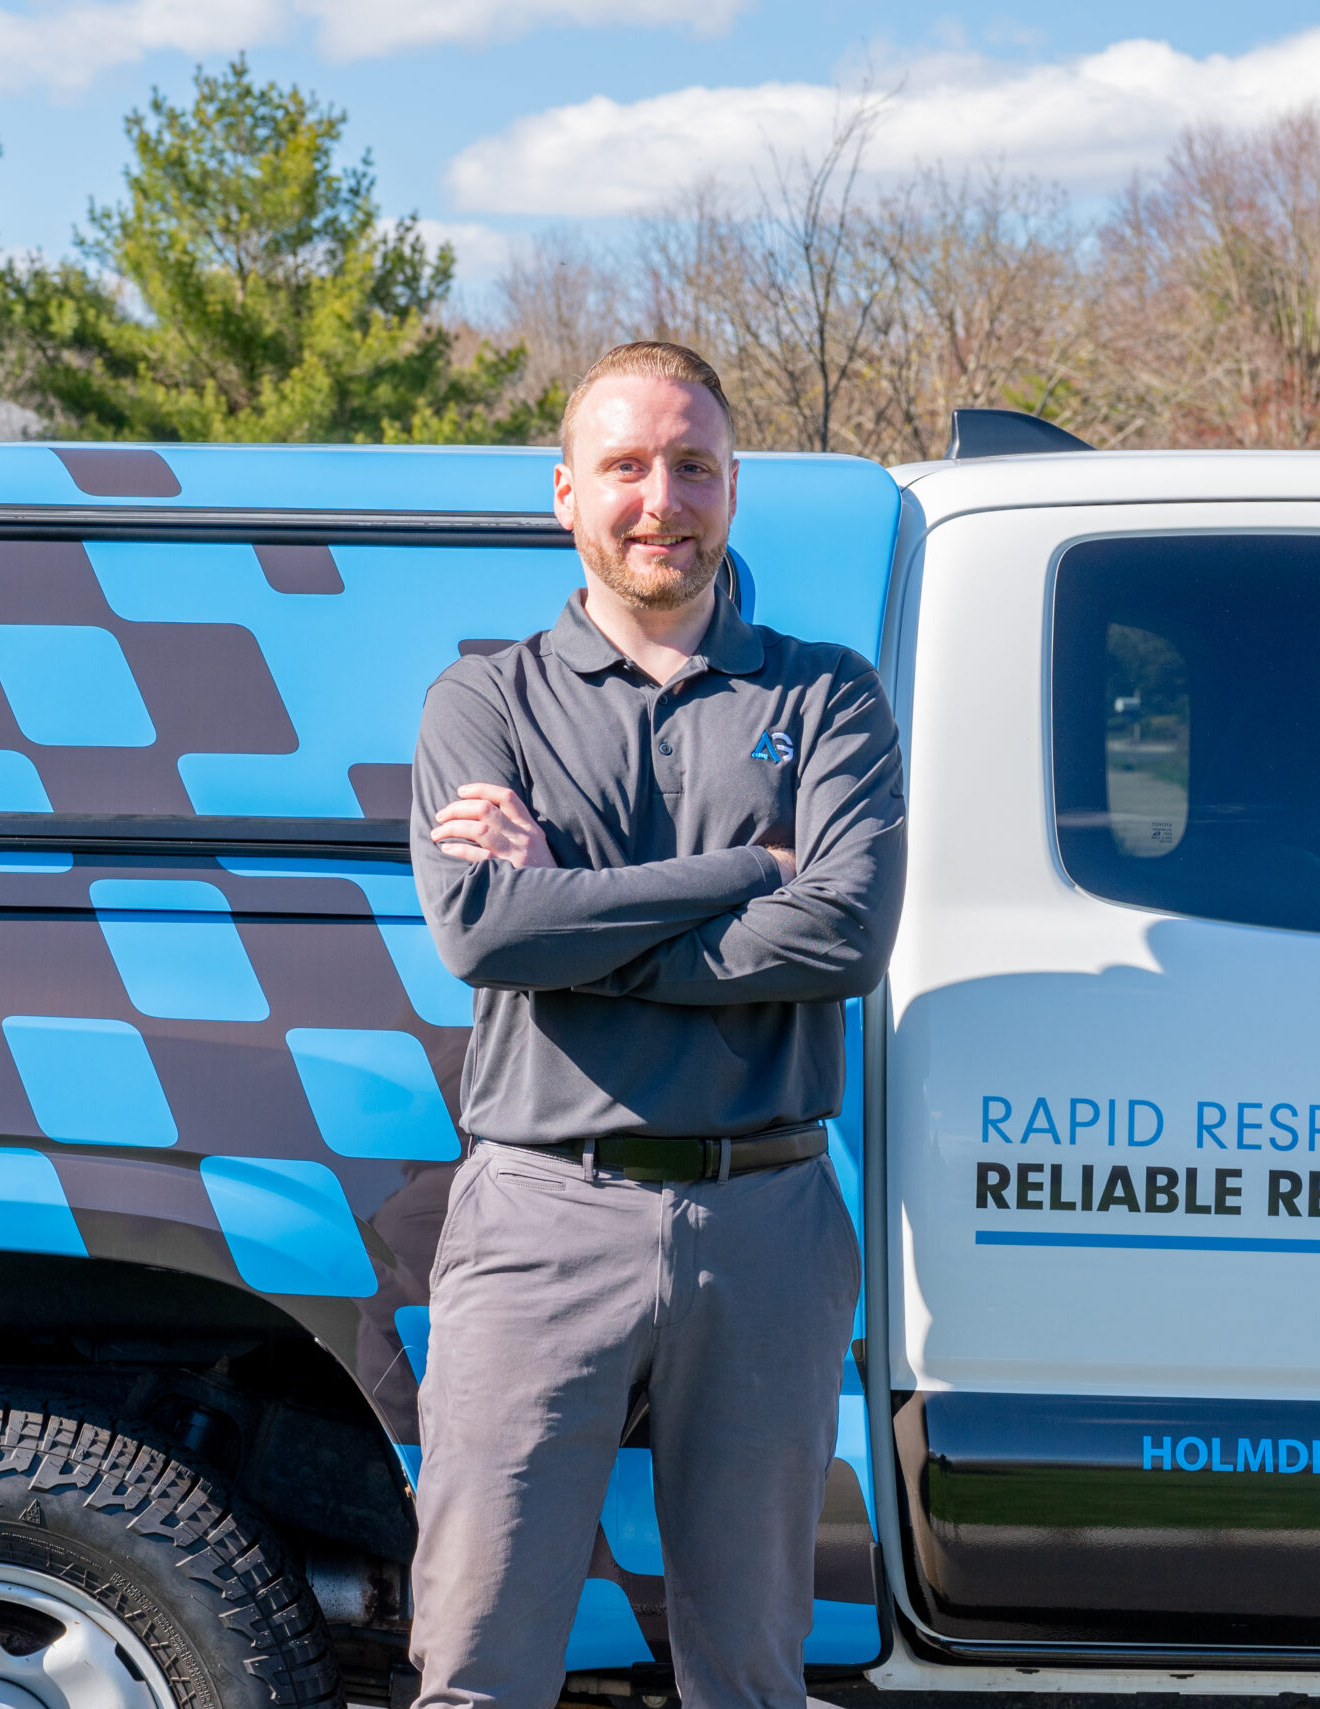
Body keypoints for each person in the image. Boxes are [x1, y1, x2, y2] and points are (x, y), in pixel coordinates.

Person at [406, 340, 907, 1709]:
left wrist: (573, 908)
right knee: (479, 1660)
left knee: (748, 1672)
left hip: (769, 1217)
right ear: (565, 490)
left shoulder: (826, 694)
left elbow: (846, 935)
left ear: (733, 487)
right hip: (539, 1215)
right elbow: (484, 934)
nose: (659, 498)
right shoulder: (483, 700)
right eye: (625, 465)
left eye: (693, 465)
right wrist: (751, 867)